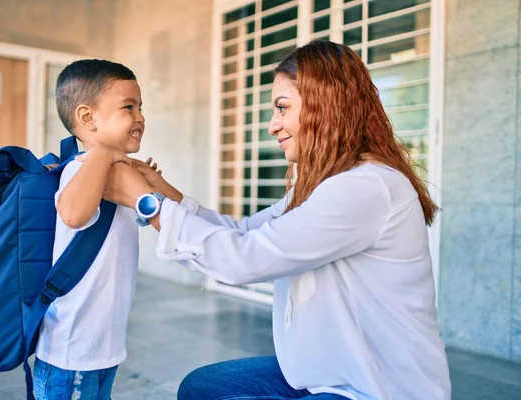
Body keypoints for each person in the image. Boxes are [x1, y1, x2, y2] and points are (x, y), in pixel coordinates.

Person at [104, 40, 451, 400]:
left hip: (377, 387)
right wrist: (161, 190)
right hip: (330, 368)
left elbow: (245, 258)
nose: (273, 126)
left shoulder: (366, 187)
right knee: (202, 388)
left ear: (325, 106)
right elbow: (242, 232)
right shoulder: (325, 184)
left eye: (282, 108)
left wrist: (145, 203)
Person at [32, 59, 146, 400]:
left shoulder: (112, 170)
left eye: (141, 107)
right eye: (129, 107)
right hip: (71, 351)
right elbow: (72, 214)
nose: (140, 117)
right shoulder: (80, 170)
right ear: (87, 118)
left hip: (103, 345)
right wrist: (105, 153)